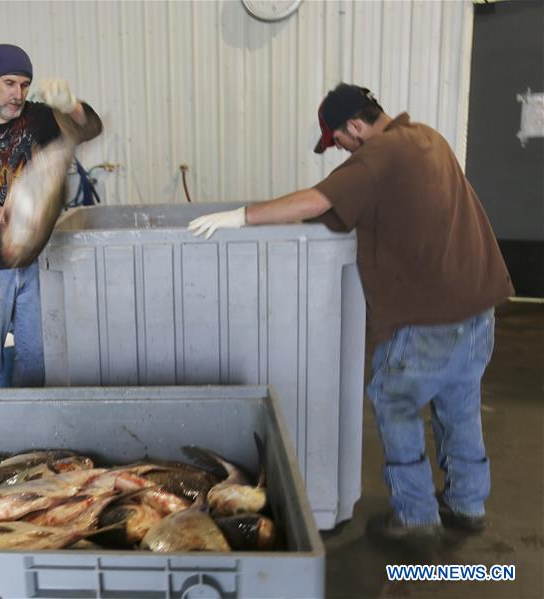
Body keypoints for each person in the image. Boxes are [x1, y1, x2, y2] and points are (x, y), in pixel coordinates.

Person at [189, 83, 513, 539]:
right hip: (478, 312)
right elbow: (375, 208)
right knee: (458, 407)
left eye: (338, 140)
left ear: (356, 125)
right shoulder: (428, 139)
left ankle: (417, 516)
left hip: (429, 321)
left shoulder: (379, 156)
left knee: (394, 402)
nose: (338, 150)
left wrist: (241, 215)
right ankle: (467, 504)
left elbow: (317, 199)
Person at [0, 44, 102, 388]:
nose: (18, 94)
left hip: (35, 264)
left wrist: (71, 105)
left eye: (25, 85)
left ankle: (27, 433)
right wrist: (6, 214)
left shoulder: (37, 117)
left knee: (36, 359)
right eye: (9, 83)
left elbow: (90, 128)